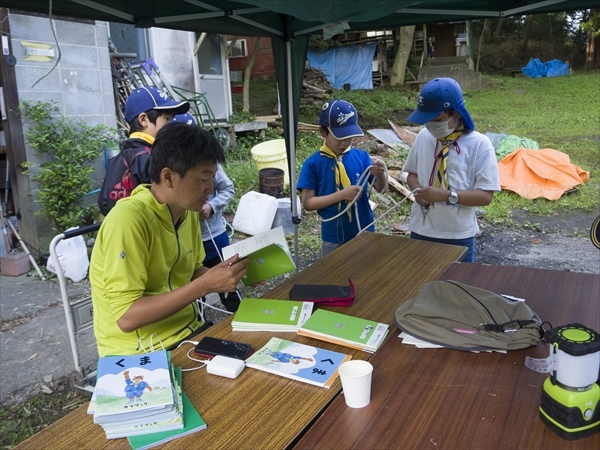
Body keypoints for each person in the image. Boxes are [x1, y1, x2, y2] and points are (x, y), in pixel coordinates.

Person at [90, 122, 249, 357]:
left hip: (189, 333)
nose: (210, 189)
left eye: (212, 178)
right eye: (203, 179)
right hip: (139, 351)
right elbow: (126, 316)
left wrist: (231, 273)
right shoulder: (128, 220)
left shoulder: (187, 212)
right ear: (169, 177)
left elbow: (191, 271)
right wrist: (205, 285)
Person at [404, 77, 500, 262]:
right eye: (426, 119)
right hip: (420, 229)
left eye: (437, 118)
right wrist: (417, 191)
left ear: (456, 112)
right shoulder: (424, 136)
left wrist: (445, 195)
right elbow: (412, 174)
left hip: (457, 235)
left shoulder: (479, 144)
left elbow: (485, 196)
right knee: (420, 285)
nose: (431, 124)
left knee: (457, 287)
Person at [297, 99, 388, 257]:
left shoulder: (361, 157)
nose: (345, 143)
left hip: (365, 231)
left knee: (366, 276)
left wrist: (380, 174)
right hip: (334, 238)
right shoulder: (313, 164)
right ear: (323, 132)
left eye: (350, 138)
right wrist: (342, 195)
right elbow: (308, 203)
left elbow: (381, 188)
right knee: (335, 278)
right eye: (340, 138)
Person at [172, 113, 241, 313]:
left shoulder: (210, 164)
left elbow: (228, 188)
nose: (208, 189)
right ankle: (198, 317)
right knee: (195, 287)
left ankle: (236, 313)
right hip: (190, 240)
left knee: (227, 280)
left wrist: (211, 206)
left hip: (214, 234)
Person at [98, 86, 189, 215]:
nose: (171, 125)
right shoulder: (155, 159)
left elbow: (104, 204)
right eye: (167, 119)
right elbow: (169, 207)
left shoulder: (118, 159)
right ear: (144, 119)